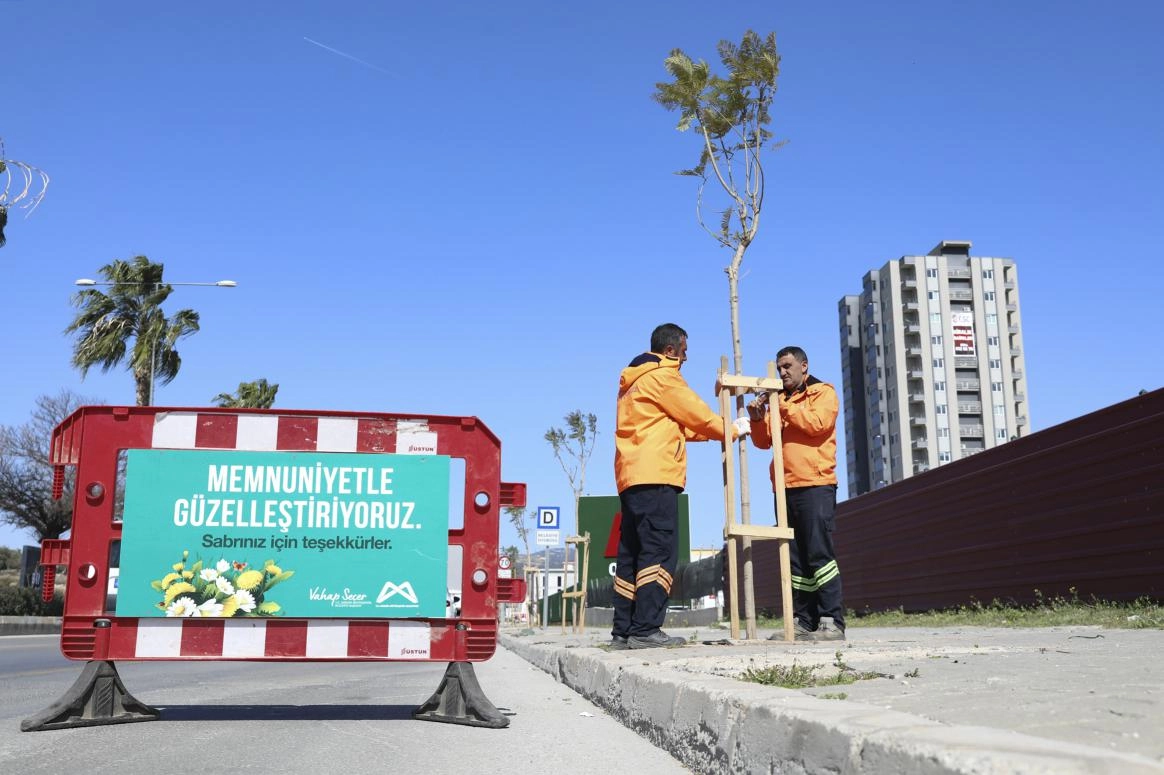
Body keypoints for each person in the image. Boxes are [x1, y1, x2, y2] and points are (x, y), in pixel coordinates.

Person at [612, 323, 750, 650]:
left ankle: (623, 632)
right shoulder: (663, 376)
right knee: (658, 553)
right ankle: (646, 629)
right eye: (684, 351)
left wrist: (722, 431)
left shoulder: (634, 380)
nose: (686, 358)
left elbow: (679, 426)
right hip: (658, 474)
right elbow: (697, 414)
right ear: (672, 349)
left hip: (632, 476)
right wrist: (730, 429)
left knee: (631, 555)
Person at [746, 345, 845, 641]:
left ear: (804, 365)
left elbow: (817, 424)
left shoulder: (822, 393)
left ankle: (832, 621)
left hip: (815, 484)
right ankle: (805, 621)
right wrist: (756, 417)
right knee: (797, 560)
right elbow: (764, 442)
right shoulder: (783, 402)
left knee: (819, 554)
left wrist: (781, 405)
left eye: (787, 366)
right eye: (779, 368)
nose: (783, 373)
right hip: (785, 487)